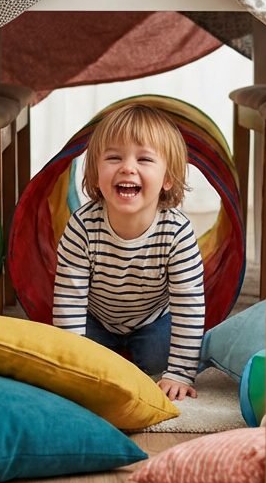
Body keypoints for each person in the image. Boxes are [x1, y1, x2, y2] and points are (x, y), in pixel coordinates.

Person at [52, 103, 205, 401]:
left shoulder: (177, 231)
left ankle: (156, 356)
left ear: (167, 179)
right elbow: (69, 299)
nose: (127, 167)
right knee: (81, 354)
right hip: (96, 317)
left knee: (161, 360)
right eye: (113, 157)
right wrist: (72, 368)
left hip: (152, 318)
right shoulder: (83, 226)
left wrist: (180, 372)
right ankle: (108, 354)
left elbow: (189, 302)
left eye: (145, 159)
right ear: (96, 173)